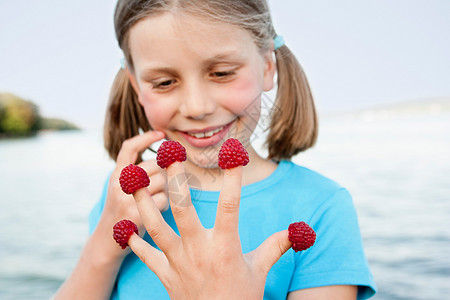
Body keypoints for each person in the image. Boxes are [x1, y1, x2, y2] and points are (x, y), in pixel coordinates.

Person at [54, 0, 376, 299]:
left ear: (267, 66)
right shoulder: (126, 200)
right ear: (137, 86)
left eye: (221, 73)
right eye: (164, 82)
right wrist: (103, 246)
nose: (197, 107)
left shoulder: (322, 207)